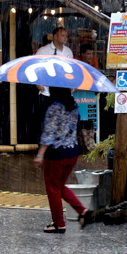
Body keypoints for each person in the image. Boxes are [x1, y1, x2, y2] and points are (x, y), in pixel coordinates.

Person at [33, 87, 92, 233]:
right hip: (72, 152)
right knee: (58, 186)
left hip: (56, 154)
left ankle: (59, 224)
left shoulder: (55, 107)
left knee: (53, 188)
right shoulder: (73, 105)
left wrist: (40, 154)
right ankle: (82, 211)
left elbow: (48, 134)